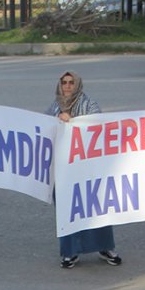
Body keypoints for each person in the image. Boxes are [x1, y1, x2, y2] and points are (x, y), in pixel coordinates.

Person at [48, 71, 122, 269]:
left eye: (72, 82)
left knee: (96, 206)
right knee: (67, 210)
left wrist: (72, 121)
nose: (68, 86)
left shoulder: (89, 104)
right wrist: (57, 119)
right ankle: (70, 252)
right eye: (64, 82)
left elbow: (97, 126)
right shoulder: (54, 106)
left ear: (78, 84)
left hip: (88, 166)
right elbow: (46, 131)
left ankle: (105, 247)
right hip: (64, 168)